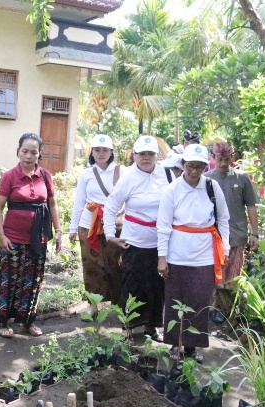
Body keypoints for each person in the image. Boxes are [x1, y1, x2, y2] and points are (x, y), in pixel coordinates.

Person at [157, 144, 230, 363]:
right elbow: (163, 225)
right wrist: (162, 257)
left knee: (199, 300)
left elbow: (223, 219)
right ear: (183, 165)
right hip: (177, 253)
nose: (194, 171)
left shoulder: (212, 187)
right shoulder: (171, 190)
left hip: (205, 253)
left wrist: (224, 249)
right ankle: (174, 343)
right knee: (175, 299)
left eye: (199, 167)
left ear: (205, 167)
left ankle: (193, 345)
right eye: (190, 166)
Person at [0, 133, 62, 338]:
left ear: (39, 153)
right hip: (12, 238)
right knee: (10, 281)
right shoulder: (9, 176)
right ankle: (5, 322)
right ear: (18, 151)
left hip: (38, 239)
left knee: (33, 281)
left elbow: (52, 204)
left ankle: (28, 322)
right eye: (25, 151)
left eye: (33, 152)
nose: (29, 156)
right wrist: (1, 235)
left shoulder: (45, 176)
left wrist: (58, 230)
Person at [104, 136, 170, 343]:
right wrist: (109, 235)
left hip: (160, 242)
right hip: (134, 241)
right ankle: (129, 329)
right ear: (134, 155)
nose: (146, 158)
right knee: (132, 286)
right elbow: (111, 205)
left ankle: (152, 327)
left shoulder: (166, 174)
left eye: (150, 154)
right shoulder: (128, 177)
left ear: (156, 156)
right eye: (142, 154)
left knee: (157, 286)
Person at [68, 134, 122, 317]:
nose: (101, 153)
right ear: (92, 152)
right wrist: (72, 228)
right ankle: (93, 305)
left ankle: (119, 303)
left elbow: (127, 199)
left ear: (111, 152)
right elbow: (79, 201)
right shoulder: (86, 174)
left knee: (115, 265)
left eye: (105, 150)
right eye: (97, 150)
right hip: (87, 225)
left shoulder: (120, 172)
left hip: (113, 226)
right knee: (91, 266)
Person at [205, 142, 258, 323]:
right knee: (214, 275)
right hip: (212, 236)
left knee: (233, 277)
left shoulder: (242, 178)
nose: (222, 164)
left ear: (232, 158)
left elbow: (251, 206)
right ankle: (215, 309)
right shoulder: (206, 179)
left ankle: (228, 313)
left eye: (227, 159)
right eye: (219, 159)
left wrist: (255, 234)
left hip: (237, 235)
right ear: (213, 157)